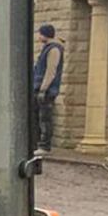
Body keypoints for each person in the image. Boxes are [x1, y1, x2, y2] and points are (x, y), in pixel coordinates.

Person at [32, 22, 64, 153]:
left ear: (45, 34)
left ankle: (45, 146)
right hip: (39, 88)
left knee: (45, 118)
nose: (38, 36)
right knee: (37, 117)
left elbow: (51, 71)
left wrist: (43, 89)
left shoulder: (54, 49)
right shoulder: (47, 48)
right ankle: (36, 143)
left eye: (40, 33)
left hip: (46, 91)